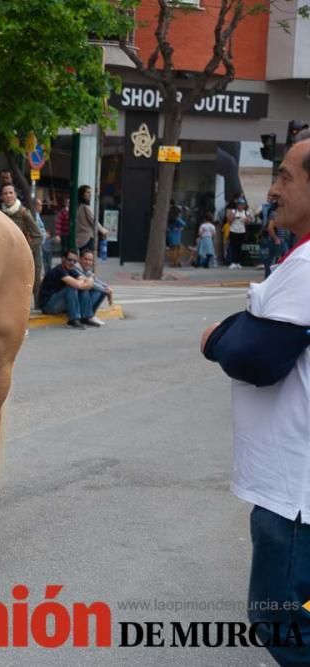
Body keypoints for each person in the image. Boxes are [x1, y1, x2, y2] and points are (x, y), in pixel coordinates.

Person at [200, 131, 310, 664]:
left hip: (294, 496)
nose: (273, 190)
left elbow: (257, 355)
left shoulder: (309, 268)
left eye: (286, 177)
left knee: (282, 622)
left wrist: (217, 337)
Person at [39, 248, 106, 329]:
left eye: (74, 261)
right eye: (69, 260)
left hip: (59, 303)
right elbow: (78, 285)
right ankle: (73, 320)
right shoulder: (59, 270)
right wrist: (90, 278)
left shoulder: (71, 270)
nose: (72, 263)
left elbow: (85, 283)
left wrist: (85, 281)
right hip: (48, 306)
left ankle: (86, 317)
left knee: (87, 290)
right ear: (63, 259)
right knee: (71, 288)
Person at [0, 184, 43, 308]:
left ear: (15, 195)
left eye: (10, 193)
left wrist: (25, 250)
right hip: (5, 257)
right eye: (5, 193)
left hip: (21, 257)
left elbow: (38, 236)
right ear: (2, 197)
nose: (8, 196)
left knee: (21, 287)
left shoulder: (23, 212)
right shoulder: (0, 213)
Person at [75, 185, 107, 254]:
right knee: (88, 260)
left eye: (90, 193)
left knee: (84, 259)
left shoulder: (79, 207)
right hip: (87, 239)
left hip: (80, 239)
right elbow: (93, 220)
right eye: (88, 192)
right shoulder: (85, 207)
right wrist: (102, 230)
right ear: (82, 194)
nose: (90, 195)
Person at [225, 195, 253, 268]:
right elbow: (229, 222)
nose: (240, 206)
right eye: (239, 205)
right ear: (237, 205)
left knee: (239, 247)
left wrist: (247, 220)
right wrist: (233, 217)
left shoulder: (246, 212)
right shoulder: (233, 211)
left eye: (242, 205)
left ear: (244, 206)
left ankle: (238, 262)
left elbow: (250, 220)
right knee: (233, 247)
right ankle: (233, 262)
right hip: (233, 231)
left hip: (241, 232)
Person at [32, 197, 52, 271]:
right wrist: (45, 235)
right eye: (40, 205)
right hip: (38, 246)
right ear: (36, 206)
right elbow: (36, 232)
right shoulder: (35, 216)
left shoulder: (37, 216)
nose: (41, 207)